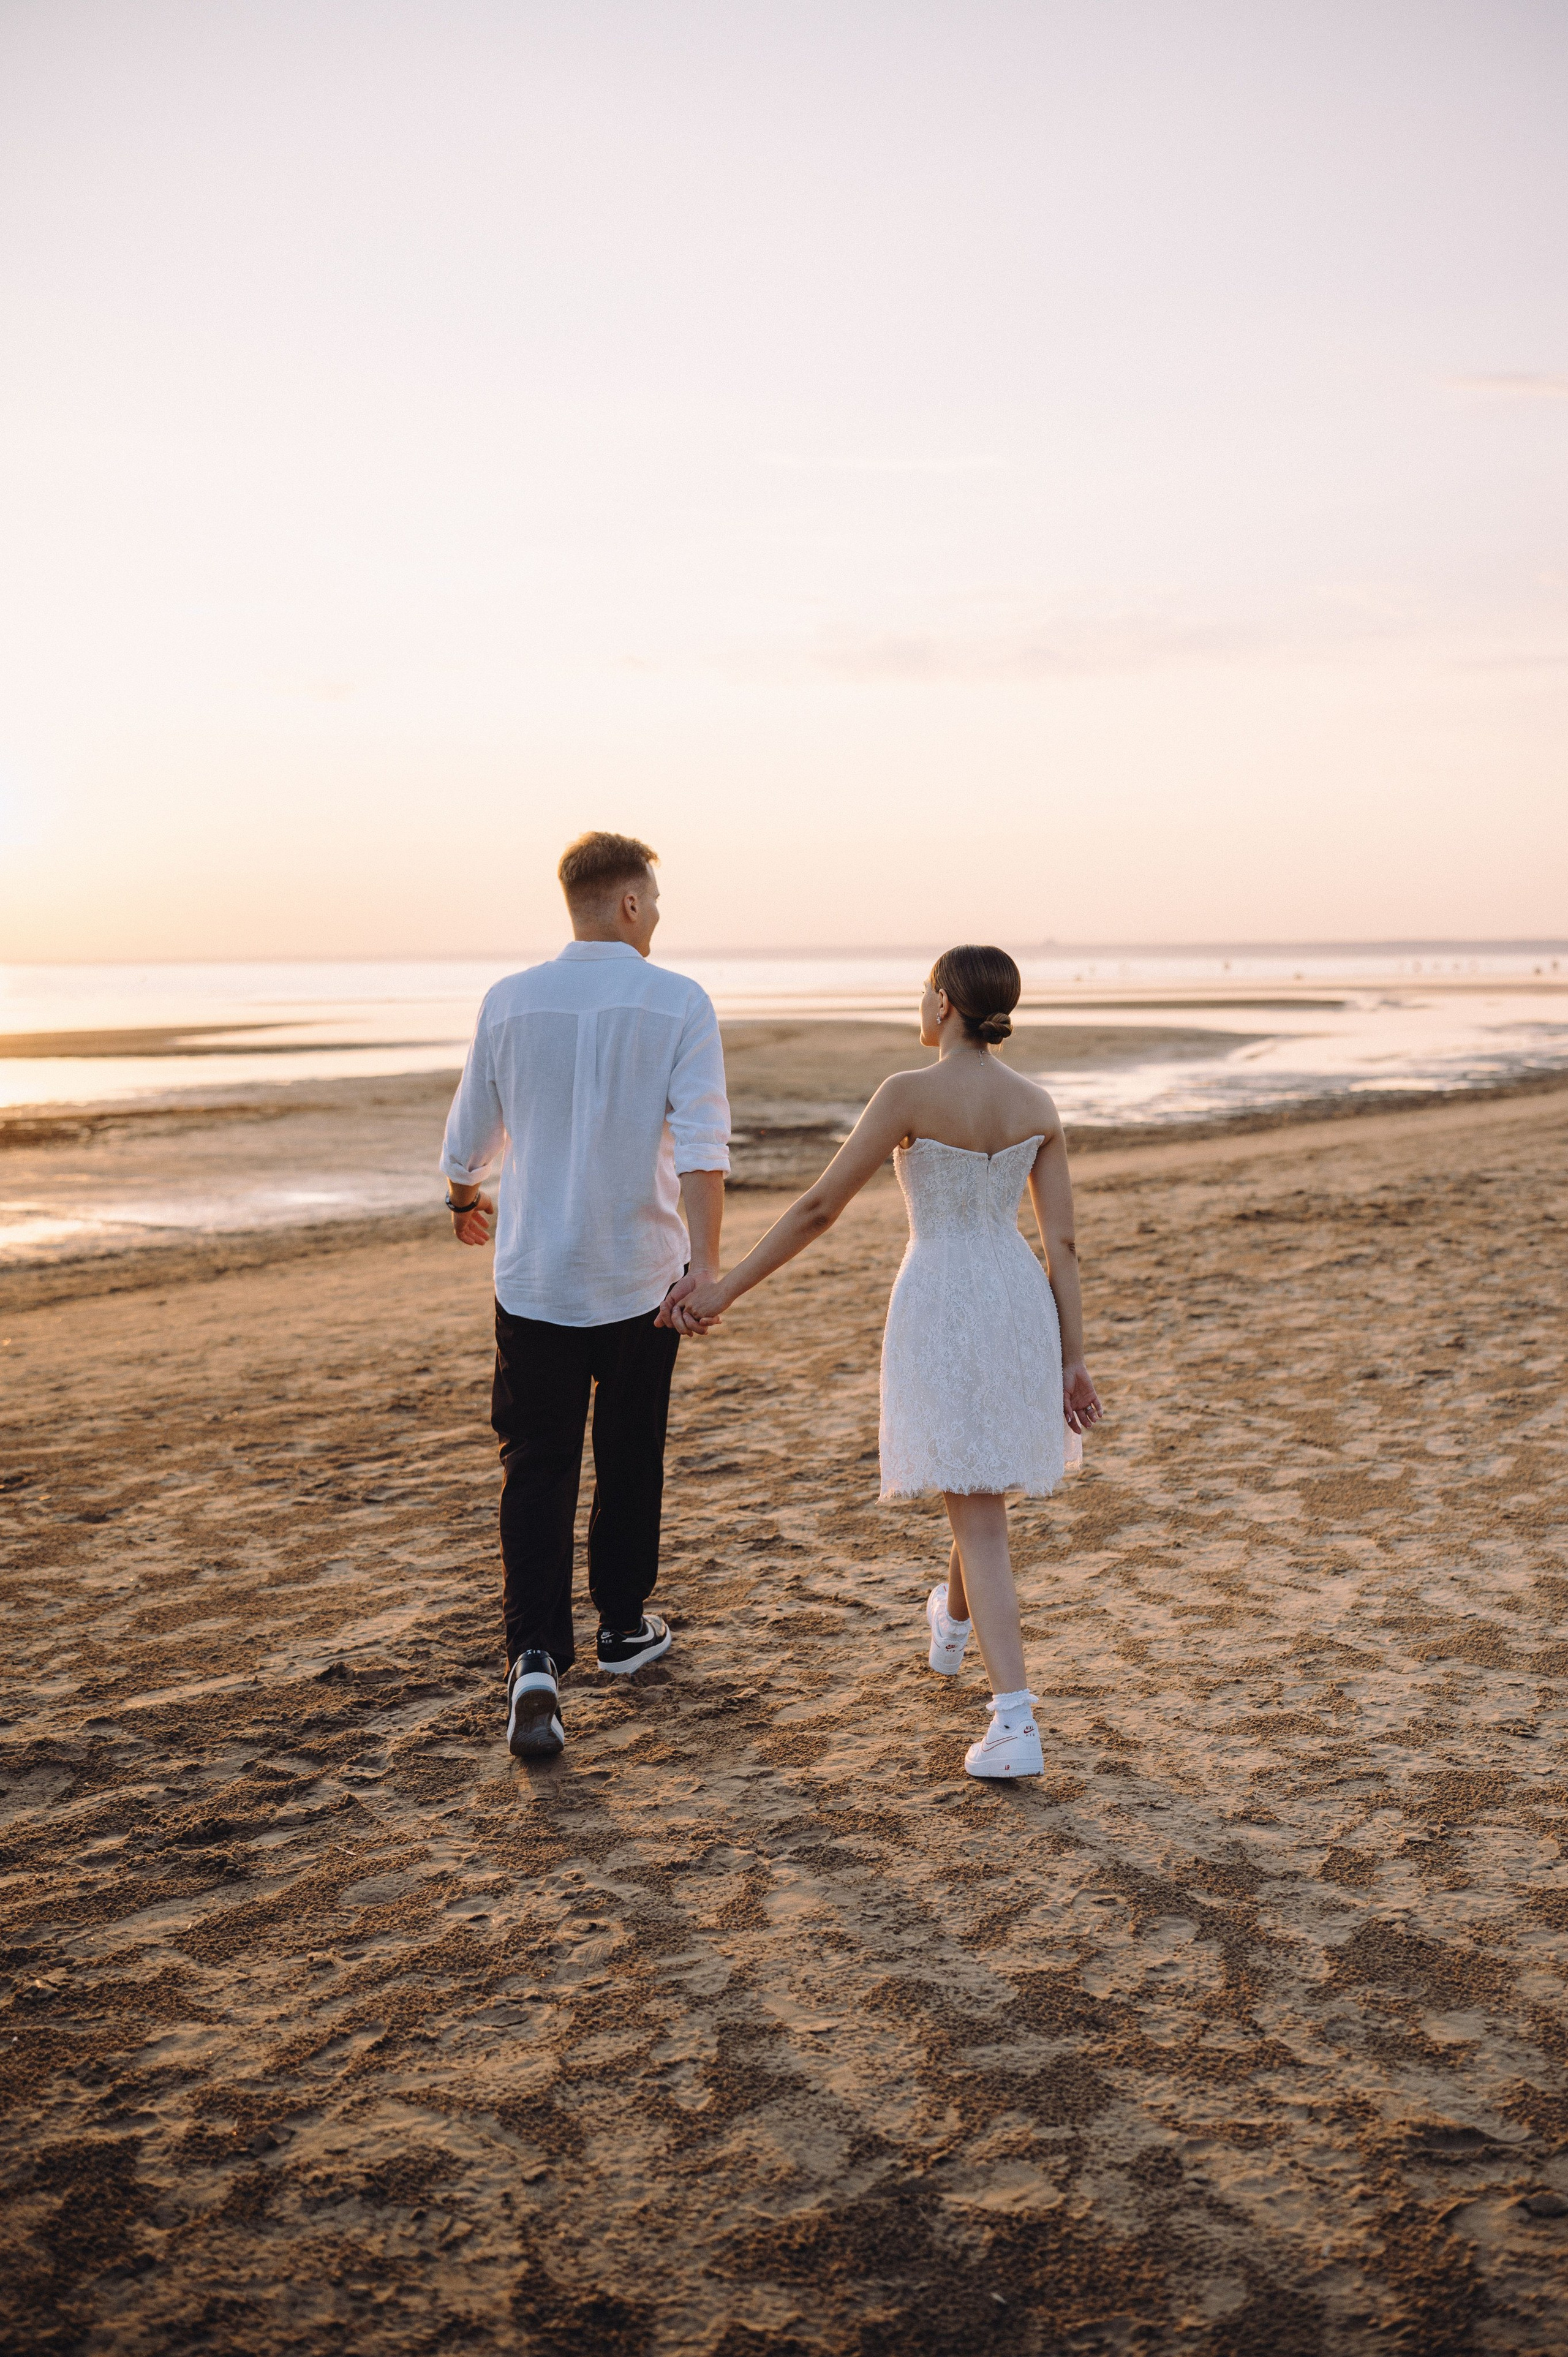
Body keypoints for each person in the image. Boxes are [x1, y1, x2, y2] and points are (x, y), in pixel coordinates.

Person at [666, 944, 1102, 1780]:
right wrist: (1073, 1357)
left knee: (978, 1506)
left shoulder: (908, 1092)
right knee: (973, 1478)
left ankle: (1015, 1721)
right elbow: (1066, 1246)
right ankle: (950, 1619)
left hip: (940, 1289)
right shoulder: (1037, 1103)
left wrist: (725, 1290)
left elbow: (821, 1207)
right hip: (1014, 1295)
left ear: (942, 1002)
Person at [440, 831, 729, 1760]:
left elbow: (467, 1137)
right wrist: (706, 1268)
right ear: (631, 905)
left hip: (535, 1278)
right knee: (630, 1448)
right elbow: (703, 1151)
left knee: (535, 1462)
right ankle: (621, 1627)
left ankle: (533, 1658)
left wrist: (462, 1194)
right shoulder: (679, 1001)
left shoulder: (510, 1000)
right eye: (658, 901)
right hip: (643, 1274)